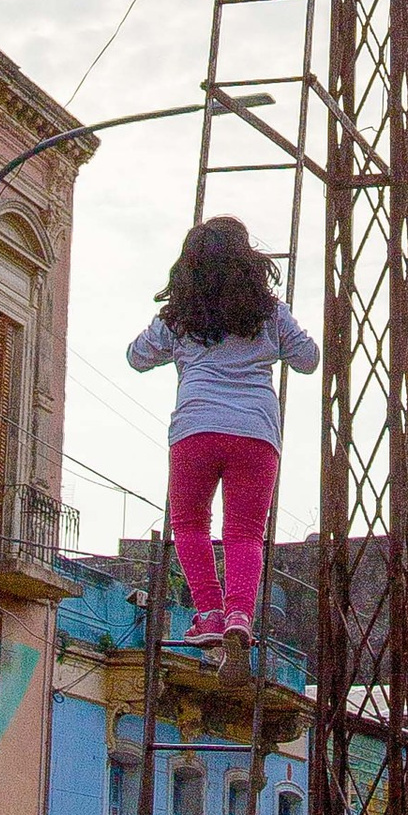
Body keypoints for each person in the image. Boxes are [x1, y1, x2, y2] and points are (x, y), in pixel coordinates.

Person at [128, 216, 318, 657]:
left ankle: (209, 614)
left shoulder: (178, 318)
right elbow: (308, 359)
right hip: (256, 433)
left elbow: (136, 358)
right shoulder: (270, 313)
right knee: (245, 533)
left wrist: (175, 340)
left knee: (190, 525)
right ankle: (239, 616)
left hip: (196, 428)